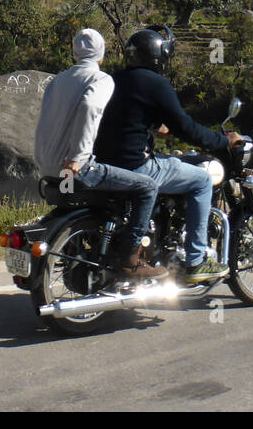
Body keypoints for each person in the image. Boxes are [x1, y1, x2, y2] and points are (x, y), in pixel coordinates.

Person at [94, 26, 243, 284]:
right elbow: (186, 129)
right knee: (201, 180)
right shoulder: (156, 84)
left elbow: (126, 117)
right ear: (159, 56)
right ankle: (196, 261)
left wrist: (153, 125)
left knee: (174, 165)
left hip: (105, 164)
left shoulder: (113, 79)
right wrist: (222, 141)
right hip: (135, 166)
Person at [33, 27, 166, 280]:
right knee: (147, 187)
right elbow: (90, 106)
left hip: (50, 170)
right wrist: (78, 156)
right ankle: (132, 259)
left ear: (74, 53)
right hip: (77, 168)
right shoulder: (101, 80)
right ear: (101, 55)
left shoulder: (56, 81)